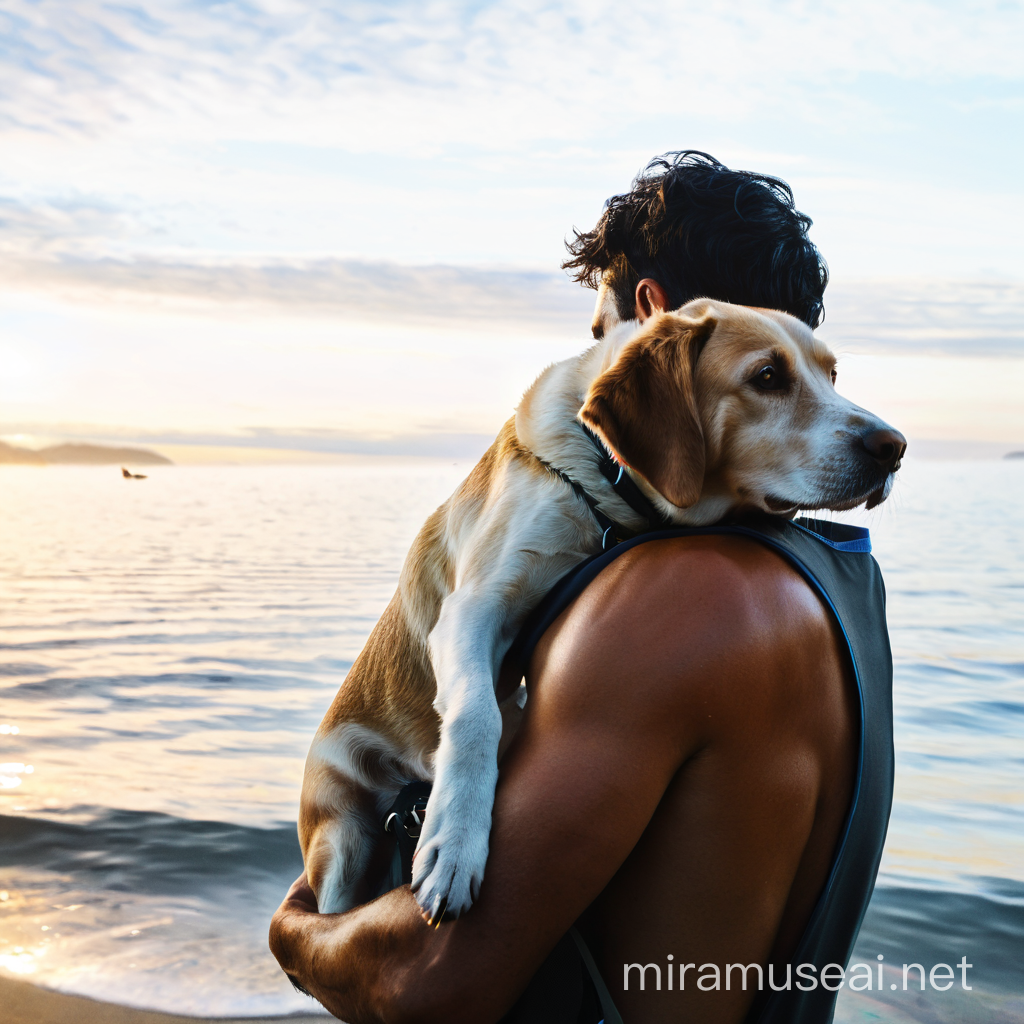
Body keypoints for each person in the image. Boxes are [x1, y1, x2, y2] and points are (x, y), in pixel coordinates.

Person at [270, 152, 894, 1024]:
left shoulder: (676, 601)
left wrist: (298, 937)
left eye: (597, 326)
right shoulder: (837, 590)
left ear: (645, 317)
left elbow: (432, 984)